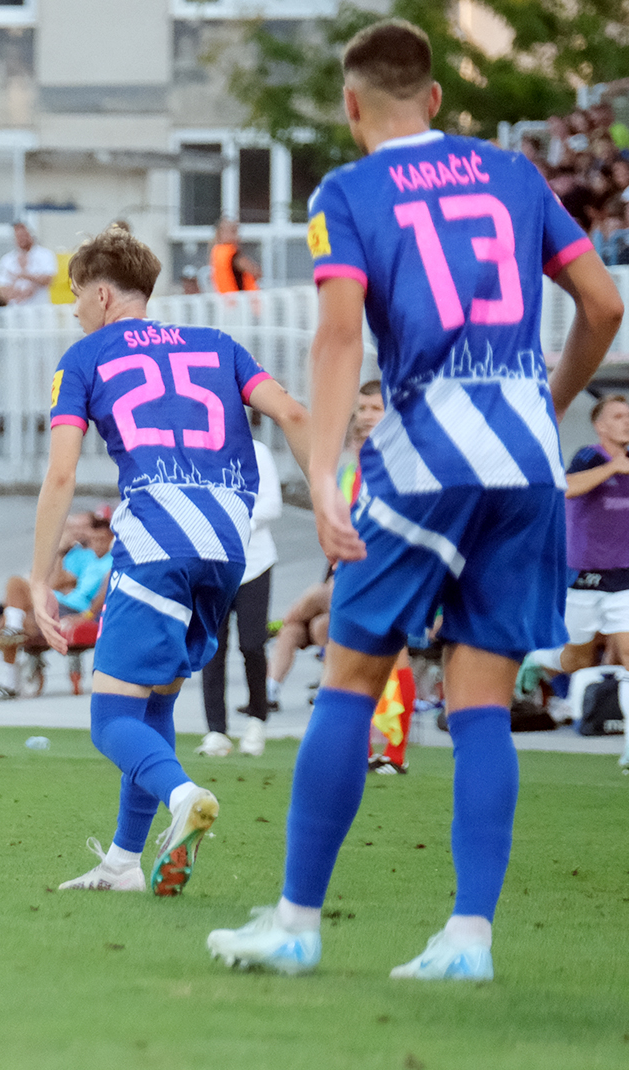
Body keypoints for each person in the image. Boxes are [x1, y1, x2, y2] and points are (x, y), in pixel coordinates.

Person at [207, 19, 622, 981]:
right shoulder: (516, 174)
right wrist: (546, 405)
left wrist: (319, 476)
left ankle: (297, 923)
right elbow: (603, 306)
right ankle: (469, 940)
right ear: (435, 98)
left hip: (426, 458)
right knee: (480, 702)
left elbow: (340, 333)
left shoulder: (347, 192)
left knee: (351, 679)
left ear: (353, 107)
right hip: (526, 464)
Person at [32, 224, 311, 897]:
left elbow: (62, 475)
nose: (73, 311)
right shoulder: (221, 346)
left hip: (157, 539)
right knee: (152, 702)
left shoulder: (85, 356)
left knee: (110, 720)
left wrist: (41, 577)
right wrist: (329, 509)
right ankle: (126, 860)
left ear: (101, 294)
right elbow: (296, 415)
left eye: (75, 297)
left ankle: (184, 796)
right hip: (227, 544)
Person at [260, 383, 384, 711]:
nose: (366, 417)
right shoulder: (347, 474)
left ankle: (273, 625)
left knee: (316, 601)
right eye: (362, 409)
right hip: (345, 574)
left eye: (375, 409)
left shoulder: (395, 470)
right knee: (310, 627)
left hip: (378, 578)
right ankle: (269, 691)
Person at [0, 514, 113, 702]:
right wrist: (60, 552)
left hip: (69, 609)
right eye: (93, 539)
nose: (96, 542)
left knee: (8, 607)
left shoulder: (111, 561)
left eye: (101, 539)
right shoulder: (84, 556)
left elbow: (84, 589)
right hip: (55, 603)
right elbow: (55, 581)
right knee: (8, 609)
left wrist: (87, 615)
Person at [524, 394, 629, 678]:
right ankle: (536, 658)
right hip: (584, 574)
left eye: (628, 415)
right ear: (601, 427)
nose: (627, 422)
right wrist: (612, 467)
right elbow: (566, 487)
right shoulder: (589, 456)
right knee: (578, 660)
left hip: (623, 574)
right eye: (618, 417)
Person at [198, 435, 282, 757]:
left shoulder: (257, 451)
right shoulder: (197, 452)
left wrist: (233, 523)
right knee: (212, 648)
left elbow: (271, 504)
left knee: (252, 644)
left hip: (254, 563)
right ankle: (216, 732)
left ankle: (257, 720)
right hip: (213, 565)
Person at [0, 221, 59, 305]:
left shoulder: (45, 255)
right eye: (18, 236)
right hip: (15, 309)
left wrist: (25, 275)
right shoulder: (7, 260)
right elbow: (1, 287)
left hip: (39, 308)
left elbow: (48, 279)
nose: (21, 239)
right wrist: (17, 293)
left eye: (24, 235)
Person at [210, 217, 261, 293]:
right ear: (221, 233)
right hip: (241, 299)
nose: (238, 236)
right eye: (234, 231)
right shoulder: (231, 253)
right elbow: (255, 271)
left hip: (226, 299)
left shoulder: (216, 252)